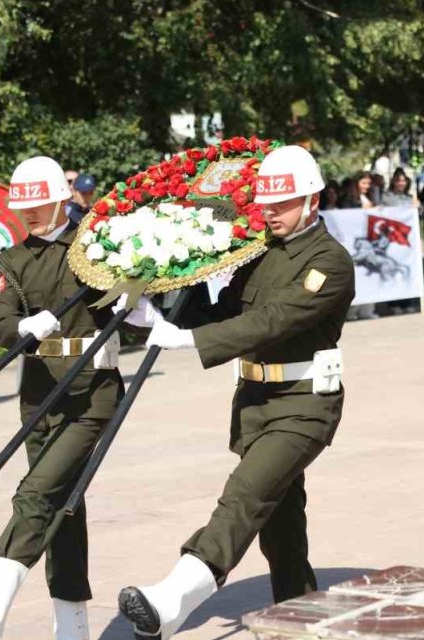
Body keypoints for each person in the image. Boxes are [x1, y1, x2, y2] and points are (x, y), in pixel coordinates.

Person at [118, 145, 354, 639]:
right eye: (266, 203)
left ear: (312, 200)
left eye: (282, 204)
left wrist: (188, 341)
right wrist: (155, 308)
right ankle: (300, 613)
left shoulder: (329, 262)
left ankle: (173, 598)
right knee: (280, 523)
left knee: (244, 496)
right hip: (255, 404)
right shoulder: (260, 251)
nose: (271, 213)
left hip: (304, 404)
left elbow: (272, 321)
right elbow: (221, 309)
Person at [0, 157, 126, 640]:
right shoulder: (11, 260)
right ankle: (72, 626)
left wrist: (132, 294)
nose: (30, 214)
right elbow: (0, 320)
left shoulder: (98, 246)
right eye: (24, 206)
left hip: (91, 392)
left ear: (62, 200)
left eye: (40, 205)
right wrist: (23, 324)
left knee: (36, 493)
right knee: (63, 507)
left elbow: (132, 307)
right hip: (40, 396)